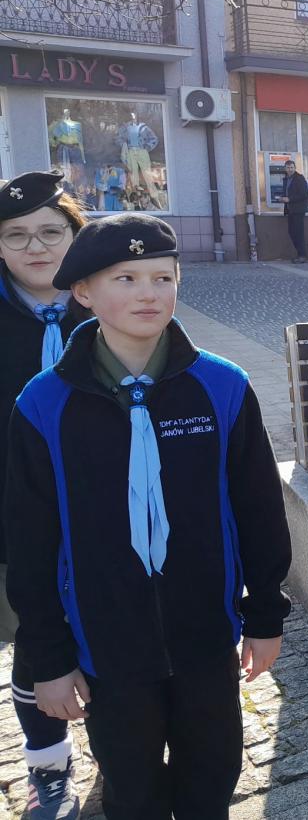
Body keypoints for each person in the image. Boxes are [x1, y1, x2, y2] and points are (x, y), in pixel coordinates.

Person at [3, 214, 292, 820]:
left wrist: (265, 614)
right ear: (83, 292)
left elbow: (260, 507)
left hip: (205, 637)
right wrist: (48, 658)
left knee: (211, 779)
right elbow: (30, 541)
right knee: (131, 790)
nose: (148, 293)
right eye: (126, 278)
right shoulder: (44, 403)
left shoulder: (222, 386)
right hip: (106, 645)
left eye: (164, 277)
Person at [0, 171, 89, 820]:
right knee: (36, 642)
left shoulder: (109, 300)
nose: (35, 247)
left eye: (50, 231)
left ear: (75, 235)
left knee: (107, 630)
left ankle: (122, 745)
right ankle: (49, 767)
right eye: (15, 235)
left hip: (103, 512)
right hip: (14, 514)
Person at [280, 160, 308, 262]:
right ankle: (300, 254)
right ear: (285, 169)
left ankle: (302, 256)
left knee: (298, 233)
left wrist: (289, 199)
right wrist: (282, 198)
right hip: (290, 210)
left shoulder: (299, 179)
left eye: (292, 167)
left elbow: (304, 194)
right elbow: (287, 192)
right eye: (288, 168)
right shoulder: (286, 179)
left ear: (295, 168)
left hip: (298, 210)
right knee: (291, 232)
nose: (290, 169)